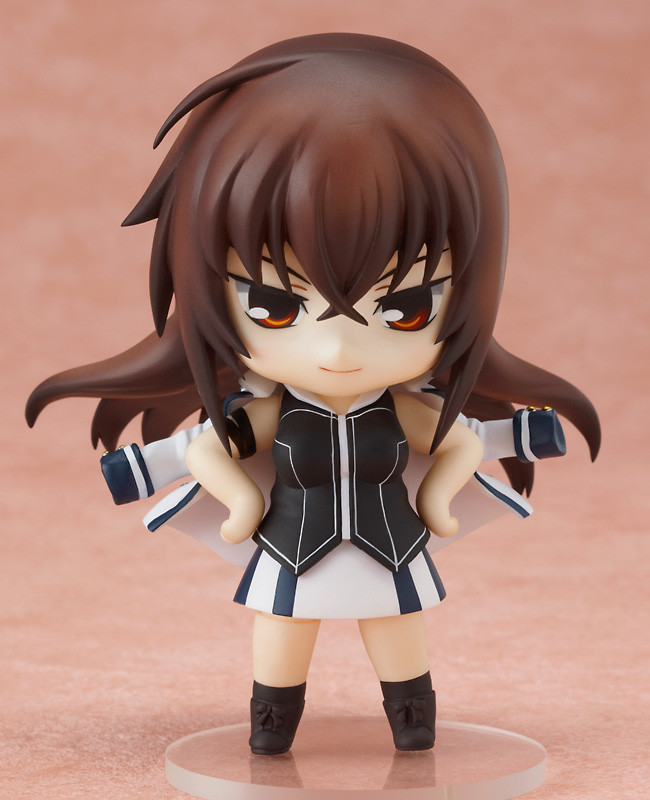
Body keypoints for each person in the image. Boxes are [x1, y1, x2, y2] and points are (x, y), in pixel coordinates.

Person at [26, 33, 600, 755]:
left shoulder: (406, 411)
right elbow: (206, 449)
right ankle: (272, 722)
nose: (336, 351)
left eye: (404, 309)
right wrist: (238, 503)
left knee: (397, 629)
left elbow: (461, 442)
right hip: (290, 551)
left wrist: (441, 498)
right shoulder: (270, 412)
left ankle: (411, 716)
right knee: (282, 635)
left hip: (391, 549)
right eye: (273, 306)